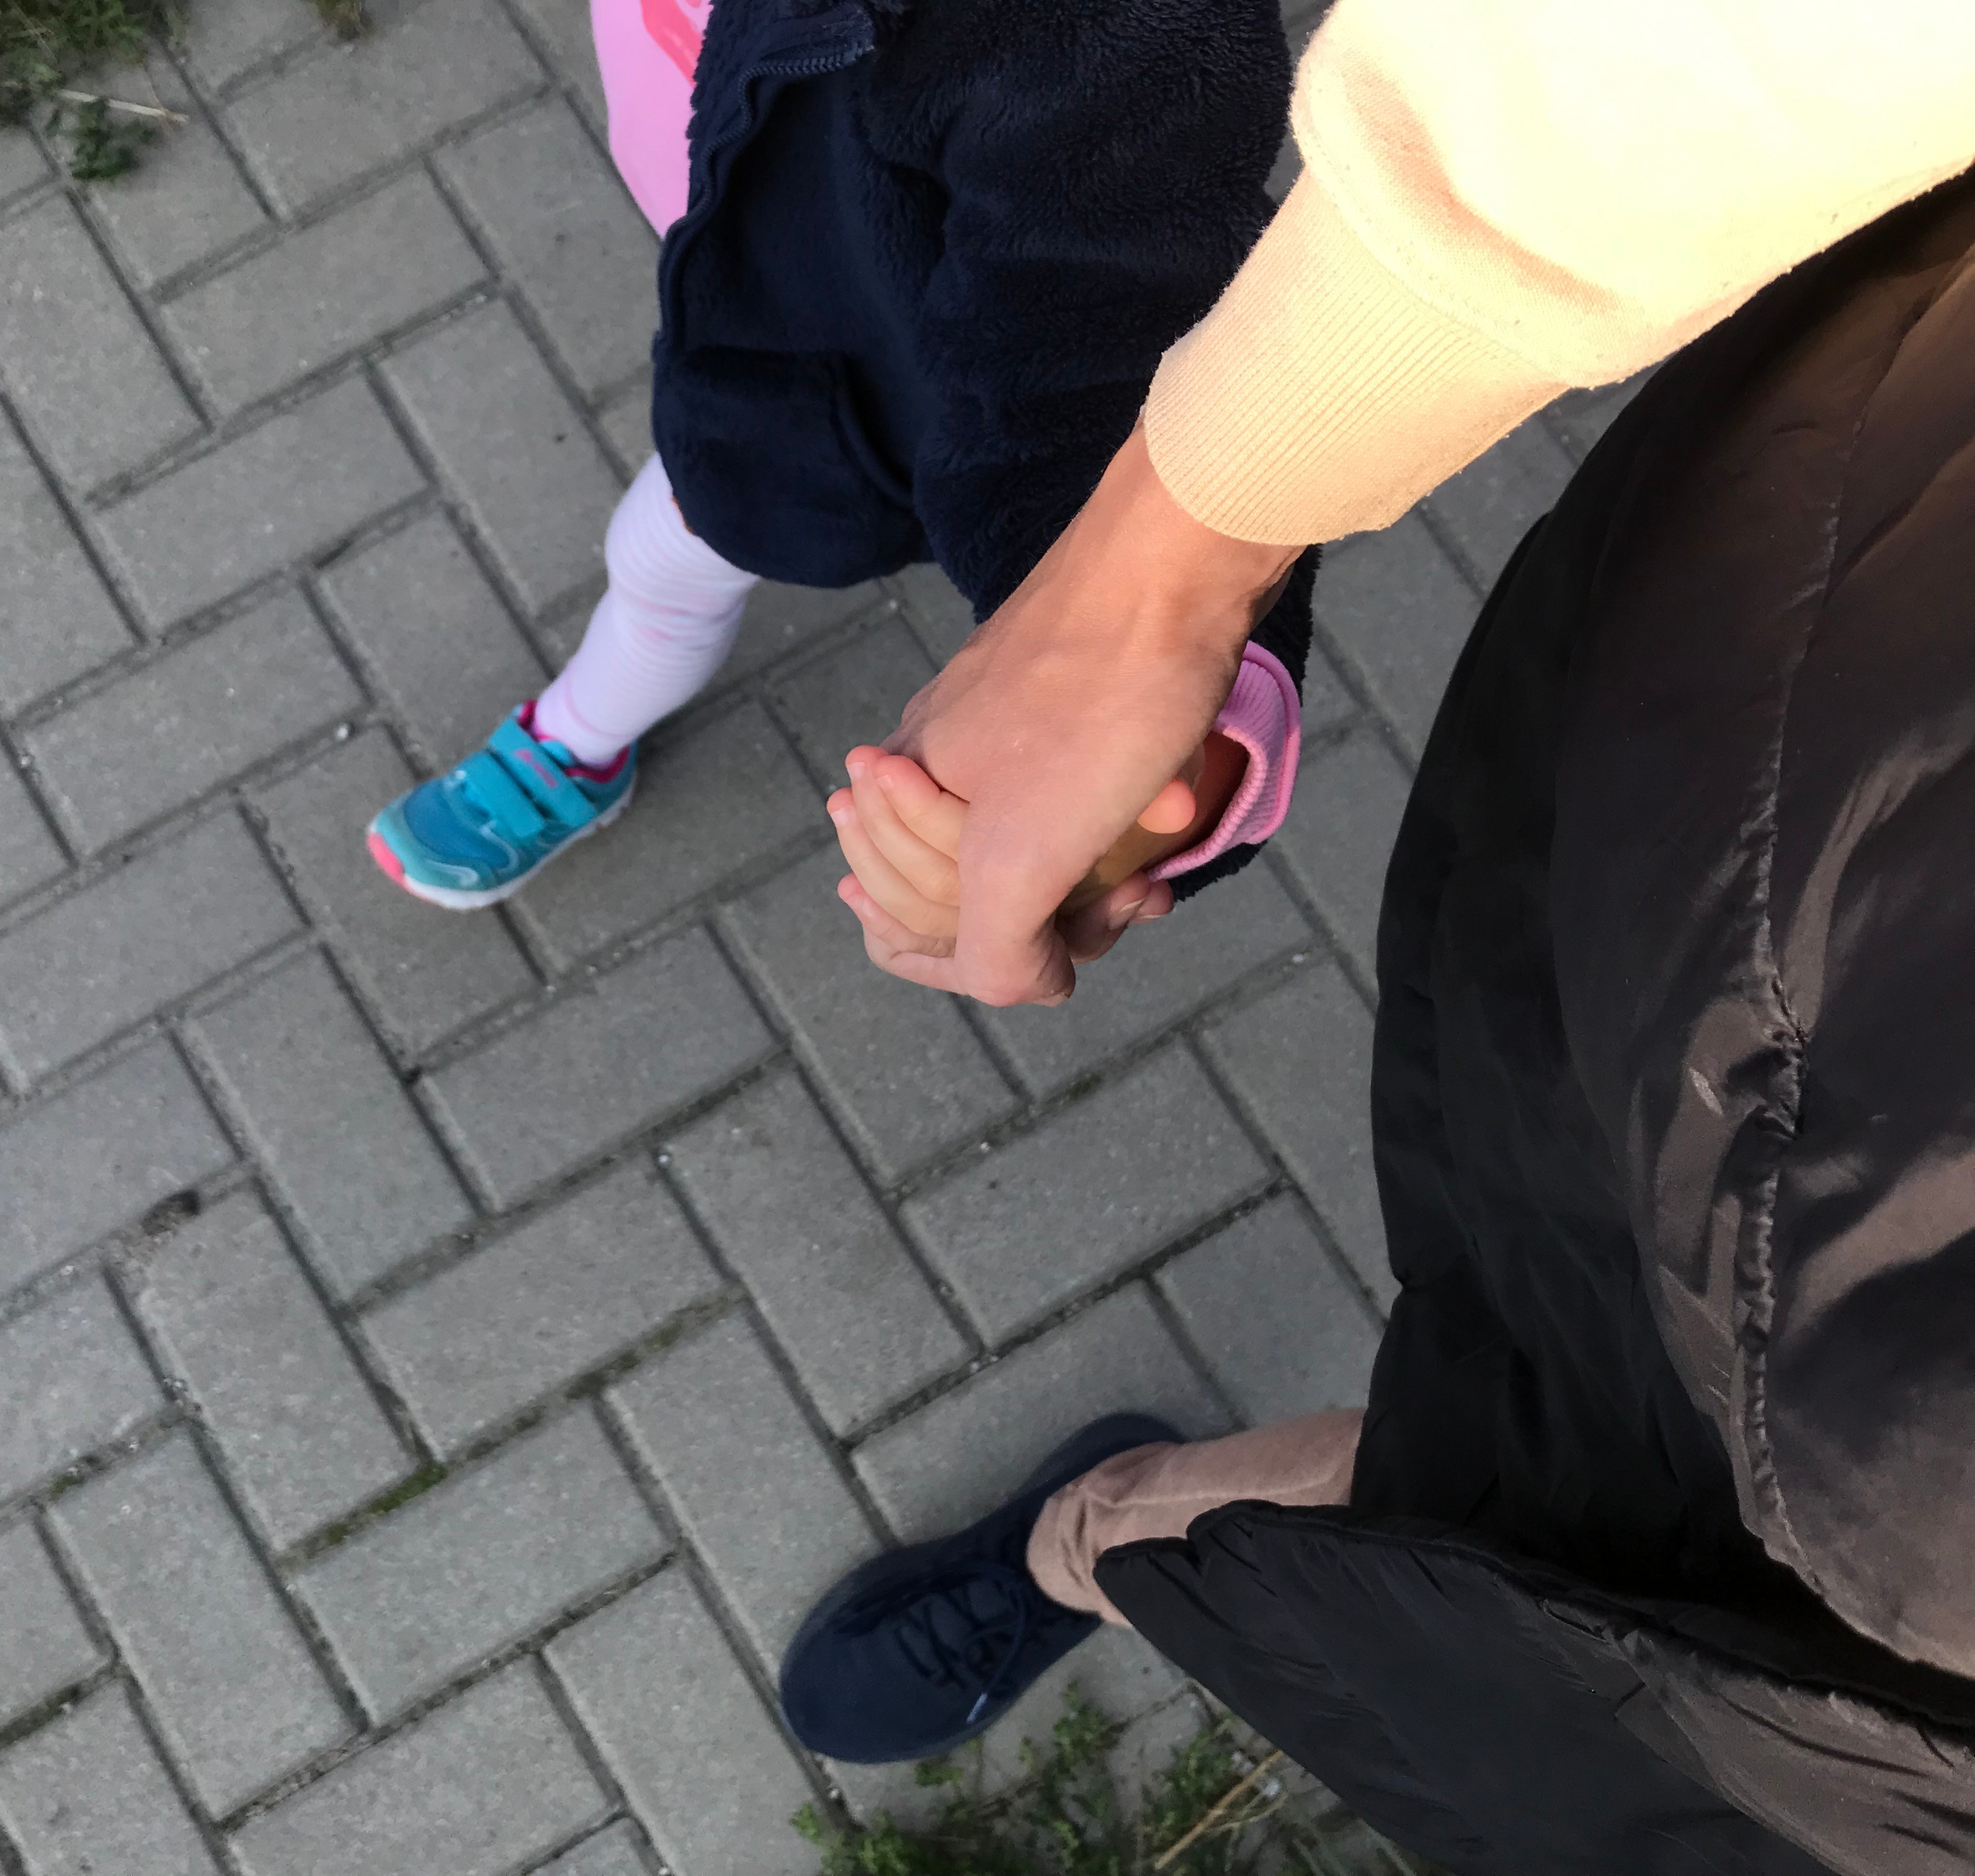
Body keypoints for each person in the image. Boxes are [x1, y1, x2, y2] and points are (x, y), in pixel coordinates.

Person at [768, 6, 1975, 1871]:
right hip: (1659, 1131)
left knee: (1433, 1625)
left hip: (1805, 1776)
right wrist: (1158, 578)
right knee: (1430, 1498)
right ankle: (1087, 1541)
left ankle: (1133, 1556)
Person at [362, 0, 1314, 911]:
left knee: (663, 560)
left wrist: (1152, 724)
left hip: (831, 400)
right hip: (748, 221)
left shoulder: (1105, 39)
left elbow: (1107, 343)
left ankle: (579, 740)